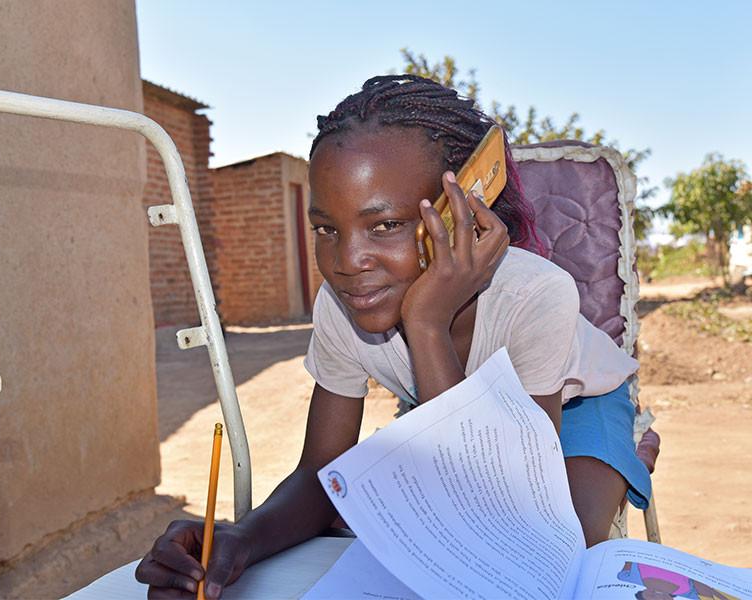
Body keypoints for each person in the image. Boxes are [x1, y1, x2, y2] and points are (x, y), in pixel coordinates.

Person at [135, 74, 652, 599]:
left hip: (576, 400)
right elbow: (319, 470)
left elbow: (510, 515)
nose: (348, 263)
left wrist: (425, 322)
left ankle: (608, 466)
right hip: (446, 403)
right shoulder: (343, 304)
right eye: (326, 229)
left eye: (385, 226)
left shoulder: (536, 295)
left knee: (562, 555)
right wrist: (238, 541)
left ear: (462, 213)